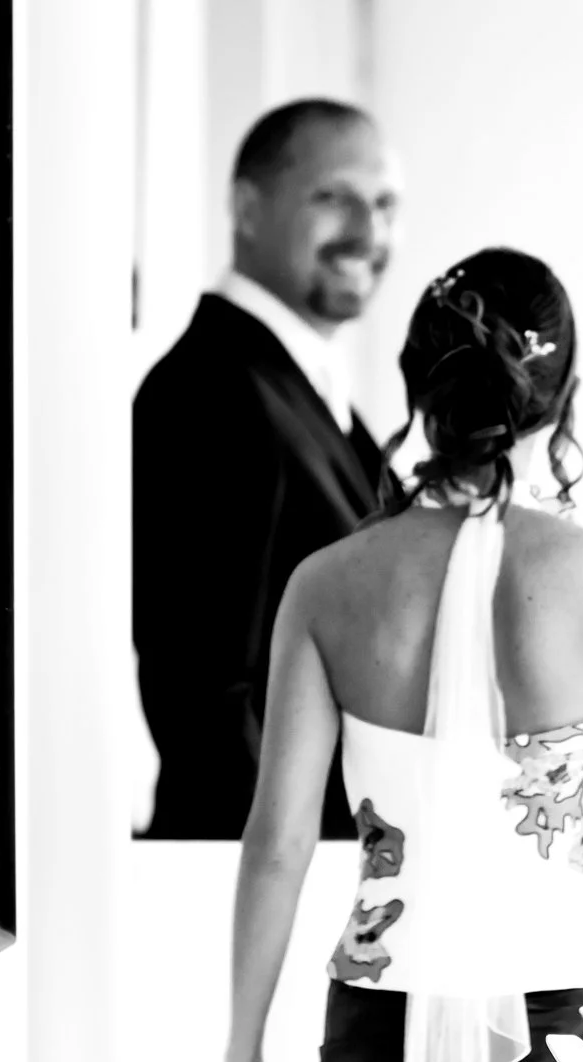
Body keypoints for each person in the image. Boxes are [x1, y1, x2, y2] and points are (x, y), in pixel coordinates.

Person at [212, 248, 583, 1062]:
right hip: (582, 1043)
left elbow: (276, 846)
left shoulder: (327, 585)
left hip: (380, 1037)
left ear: (417, 382)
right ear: (562, 398)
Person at [133, 99, 401, 840]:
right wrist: (290, 885)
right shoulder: (212, 391)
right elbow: (206, 698)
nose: (368, 231)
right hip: (260, 886)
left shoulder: (303, 388)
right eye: (333, 197)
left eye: (384, 204)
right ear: (247, 207)